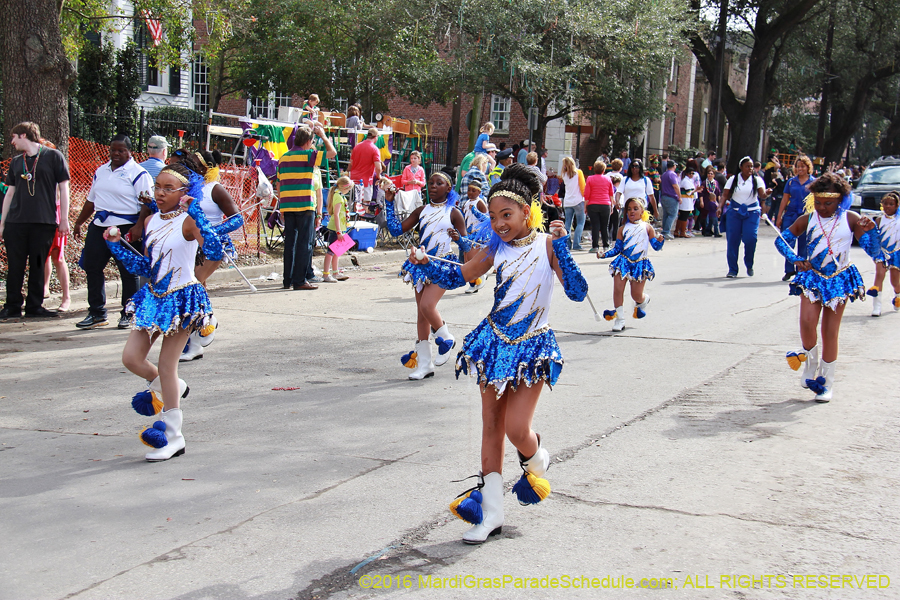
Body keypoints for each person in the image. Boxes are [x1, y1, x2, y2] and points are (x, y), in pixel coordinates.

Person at [405, 164, 588, 544]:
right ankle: (490, 514)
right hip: (494, 342)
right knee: (491, 428)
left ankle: (536, 457)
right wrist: (429, 262)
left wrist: (565, 249)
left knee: (516, 429)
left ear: (528, 211)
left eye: (507, 215)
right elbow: (462, 274)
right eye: (494, 216)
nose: (500, 223)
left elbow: (576, 291)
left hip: (533, 346)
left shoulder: (548, 246)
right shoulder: (495, 248)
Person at [105, 162, 225, 461]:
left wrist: (199, 276)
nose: (159, 193)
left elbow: (214, 249)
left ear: (184, 192)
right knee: (131, 358)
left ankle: (174, 436)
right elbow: (146, 267)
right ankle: (174, 388)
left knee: (167, 365)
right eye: (157, 186)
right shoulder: (151, 222)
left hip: (181, 299)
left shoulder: (188, 221)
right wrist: (117, 246)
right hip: (153, 297)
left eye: (168, 188)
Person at [775, 172, 881, 402]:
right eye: (819, 202)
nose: (822, 207)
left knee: (830, 332)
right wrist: (794, 259)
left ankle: (826, 383)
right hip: (813, 277)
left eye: (828, 203)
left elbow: (873, 251)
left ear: (841, 199)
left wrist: (872, 231)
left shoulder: (851, 219)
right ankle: (810, 365)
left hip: (839, 279)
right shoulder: (807, 219)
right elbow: (781, 240)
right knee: (806, 322)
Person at [383, 169, 468, 380]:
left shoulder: (454, 213)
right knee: (421, 316)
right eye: (430, 182)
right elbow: (396, 230)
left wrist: (458, 239)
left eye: (438, 183)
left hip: (442, 265)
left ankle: (446, 337)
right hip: (421, 264)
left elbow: (467, 243)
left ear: (448, 188)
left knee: (427, 306)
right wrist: (389, 202)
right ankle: (425, 364)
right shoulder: (421, 210)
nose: (432, 186)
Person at [170, 150, 243, 361]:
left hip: (209, 249)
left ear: (205, 167)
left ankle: (195, 342)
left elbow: (237, 219)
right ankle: (206, 321)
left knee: (191, 287)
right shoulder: (184, 187)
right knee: (194, 290)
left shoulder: (214, 189)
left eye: (193, 161)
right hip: (186, 247)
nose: (188, 164)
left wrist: (211, 231)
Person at [73, 134, 152, 329]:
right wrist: (79, 222)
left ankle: (128, 312)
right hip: (100, 225)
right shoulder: (101, 171)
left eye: (121, 150)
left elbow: (147, 203)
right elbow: (91, 200)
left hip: (126, 226)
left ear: (129, 152)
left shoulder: (138, 173)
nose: (115, 154)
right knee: (92, 267)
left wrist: (139, 225)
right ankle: (97, 313)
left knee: (128, 271)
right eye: (113, 150)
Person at [0, 122, 70, 320]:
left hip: (43, 221)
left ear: (23, 135)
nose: (12, 142)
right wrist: (2, 223)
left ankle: (34, 306)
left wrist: (63, 219)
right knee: (15, 265)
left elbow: (64, 188)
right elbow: (9, 193)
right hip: (16, 222)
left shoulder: (53, 156)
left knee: (39, 264)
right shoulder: (16, 162)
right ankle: (12, 305)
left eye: (14, 137)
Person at [278, 123, 337, 290]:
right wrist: (324, 136)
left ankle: (287, 279)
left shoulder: (283, 158)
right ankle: (299, 280)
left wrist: (281, 206)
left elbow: (279, 183)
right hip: (305, 204)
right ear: (309, 141)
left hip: (288, 205)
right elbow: (332, 152)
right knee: (304, 243)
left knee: (290, 243)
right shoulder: (309, 155)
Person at [599, 196, 664, 332]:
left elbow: (656, 247)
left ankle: (643, 299)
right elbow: (617, 249)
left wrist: (661, 240)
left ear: (642, 211)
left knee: (636, 295)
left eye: (635, 208)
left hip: (640, 264)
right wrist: (604, 254)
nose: (632, 211)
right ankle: (620, 319)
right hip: (623, 263)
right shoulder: (622, 229)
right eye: (629, 209)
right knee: (618, 290)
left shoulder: (647, 228)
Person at [719, 156, 767, 278]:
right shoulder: (733, 179)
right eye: (747, 166)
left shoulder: (757, 180)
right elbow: (725, 195)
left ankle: (749, 263)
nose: (750, 168)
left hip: (751, 212)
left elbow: (762, 195)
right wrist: (720, 207)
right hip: (735, 212)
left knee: (750, 238)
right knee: (733, 240)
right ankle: (732, 269)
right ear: (741, 167)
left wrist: (768, 193)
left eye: (751, 166)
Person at [775, 156, 813, 281]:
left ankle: (801, 271)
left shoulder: (813, 182)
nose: (800, 169)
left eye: (803, 166)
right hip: (790, 214)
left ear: (808, 167)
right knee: (788, 242)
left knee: (803, 244)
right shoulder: (791, 182)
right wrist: (779, 216)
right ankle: (789, 270)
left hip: (805, 216)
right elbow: (785, 199)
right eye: (798, 166)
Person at [866, 191, 900, 316]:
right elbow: (874, 237)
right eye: (885, 204)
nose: (888, 207)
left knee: (895, 282)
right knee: (879, 275)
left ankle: (898, 296)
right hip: (882, 253)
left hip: (896, 253)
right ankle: (877, 307)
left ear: (897, 206)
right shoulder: (879, 220)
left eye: (891, 204)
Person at [457, 180, 489, 293]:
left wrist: (474, 210)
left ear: (479, 192)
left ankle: (478, 278)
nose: (470, 192)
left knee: (473, 259)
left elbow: (485, 219)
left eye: (473, 190)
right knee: (467, 259)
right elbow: (462, 216)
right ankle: (474, 282)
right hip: (468, 235)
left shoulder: (480, 203)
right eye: (469, 190)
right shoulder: (466, 203)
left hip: (478, 236)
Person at [322, 176, 353, 283]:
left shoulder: (340, 196)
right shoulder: (338, 197)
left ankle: (335, 272)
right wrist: (339, 231)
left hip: (340, 228)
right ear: (344, 188)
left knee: (337, 251)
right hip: (336, 228)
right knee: (330, 251)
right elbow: (336, 214)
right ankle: (326, 274)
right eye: (348, 189)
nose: (348, 191)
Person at [583, 159, 615, 252]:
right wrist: (612, 206)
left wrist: (585, 206)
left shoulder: (590, 178)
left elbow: (587, 194)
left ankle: (595, 246)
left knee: (595, 225)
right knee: (605, 226)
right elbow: (611, 194)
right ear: (604, 170)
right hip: (605, 204)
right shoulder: (608, 179)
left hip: (593, 204)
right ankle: (606, 245)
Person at [348, 128, 381, 204]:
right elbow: (378, 167)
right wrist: (379, 176)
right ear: (375, 137)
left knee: (354, 203)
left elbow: (351, 163)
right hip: (365, 180)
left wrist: (347, 173)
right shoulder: (374, 149)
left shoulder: (357, 146)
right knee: (365, 204)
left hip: (353, 179)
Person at [560, 156, 586, 251]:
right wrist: (586, 198)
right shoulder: (578, 172)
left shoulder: (564, 175)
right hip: (578, 200)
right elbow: (583, 187)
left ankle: (567, 243)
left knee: (568, 223)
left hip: (568, 201)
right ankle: (577, 244)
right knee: (580, 222)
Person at [658, 160, 679, 240]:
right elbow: (675, 186)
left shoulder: (664, 174)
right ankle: (666, 231)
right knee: (672, 214)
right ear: (673, 166)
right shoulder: (672, 174)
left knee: (666, 215)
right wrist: (679, 197)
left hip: (664, 196)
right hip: (672, 197)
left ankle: (664, 230)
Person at [698, 165, 722, 237]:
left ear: (714, 175)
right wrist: (701, 201)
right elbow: (701, 193)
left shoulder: (716, 183)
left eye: (711, 174)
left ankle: (711, 230)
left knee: (713, 217)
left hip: (714, 202)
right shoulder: (704, 182)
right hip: (706, 201)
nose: (710, 175)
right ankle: (705, 230)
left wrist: (719, 203)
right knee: (705, 217)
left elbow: (718, 193)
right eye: (709, 173)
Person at [674, 165, 696, 238]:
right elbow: (689, 192)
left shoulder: (688, 180)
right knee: (684, 217)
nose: (692, 175)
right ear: (687, 174)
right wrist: (696, 190)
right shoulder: (685, 181)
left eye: (693, 173)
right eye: (691, 173)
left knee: (682, 217)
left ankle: (677, 231)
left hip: (688, 201)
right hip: (685, 201)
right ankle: (682, 232)